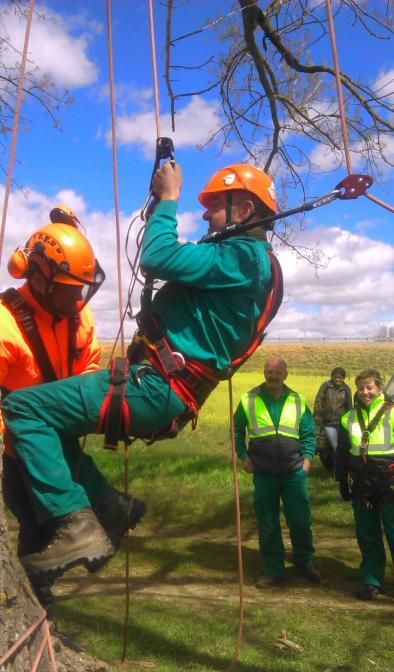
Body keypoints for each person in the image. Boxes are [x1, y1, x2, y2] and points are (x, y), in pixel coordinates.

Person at [2, 162, 282, 583]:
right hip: (166, 390)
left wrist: (169, 198)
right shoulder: (253, 266)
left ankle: (74, 523)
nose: (205, 215)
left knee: (23, 409)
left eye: (213, 207)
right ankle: (109, 506)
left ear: (243, 211)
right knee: (53, 424)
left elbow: (156, 256)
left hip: (156, 385)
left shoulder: (242, 257)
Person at [0, 210, 146, 603]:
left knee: (55, 526)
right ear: (39, 277)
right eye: (70, 288)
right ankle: (39, 600)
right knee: (41, 528)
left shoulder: (78, 319)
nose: (79, 298)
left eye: (82, 287)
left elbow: (90, 371)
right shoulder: (4, 324)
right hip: (18, 450)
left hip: (59, 435)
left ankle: (106, 513)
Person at [234, 356, 320, 588]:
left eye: (277, 372)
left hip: (294, 472)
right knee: (268, 521)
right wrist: (243, 456)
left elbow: (309, 434)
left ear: (285, 374)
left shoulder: (298, 400)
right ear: (264, 373)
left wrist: (307, 462)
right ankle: (274, 569)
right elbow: (236, 430)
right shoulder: (248, 399)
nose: (273, 376)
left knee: (300, 520)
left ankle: (305, 561)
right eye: (269, 372)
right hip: (263, 472)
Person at [335, 369, 394, 601]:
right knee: (367, 534)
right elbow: (341, 452)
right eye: (361, 388)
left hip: (390, 482)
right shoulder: (347, 418)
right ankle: (371, 580)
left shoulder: (392, 412)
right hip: (362, 483)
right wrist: (341, 479)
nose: (365, 392)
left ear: (379, 388)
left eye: (369, 387)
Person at [313, 367, 352, 472]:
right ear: (332, 376)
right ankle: (336, 471)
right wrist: (317, 418)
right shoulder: (326, 386)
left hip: (341, 423)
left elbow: (349, 407)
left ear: (343, 378)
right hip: (328, 423)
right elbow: (319, 401)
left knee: (340, 447)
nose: (337, 379)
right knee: (335, 446)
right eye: (336, 377)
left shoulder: (347, 389)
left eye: (340, 377)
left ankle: (338, 470)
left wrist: (350, 422)